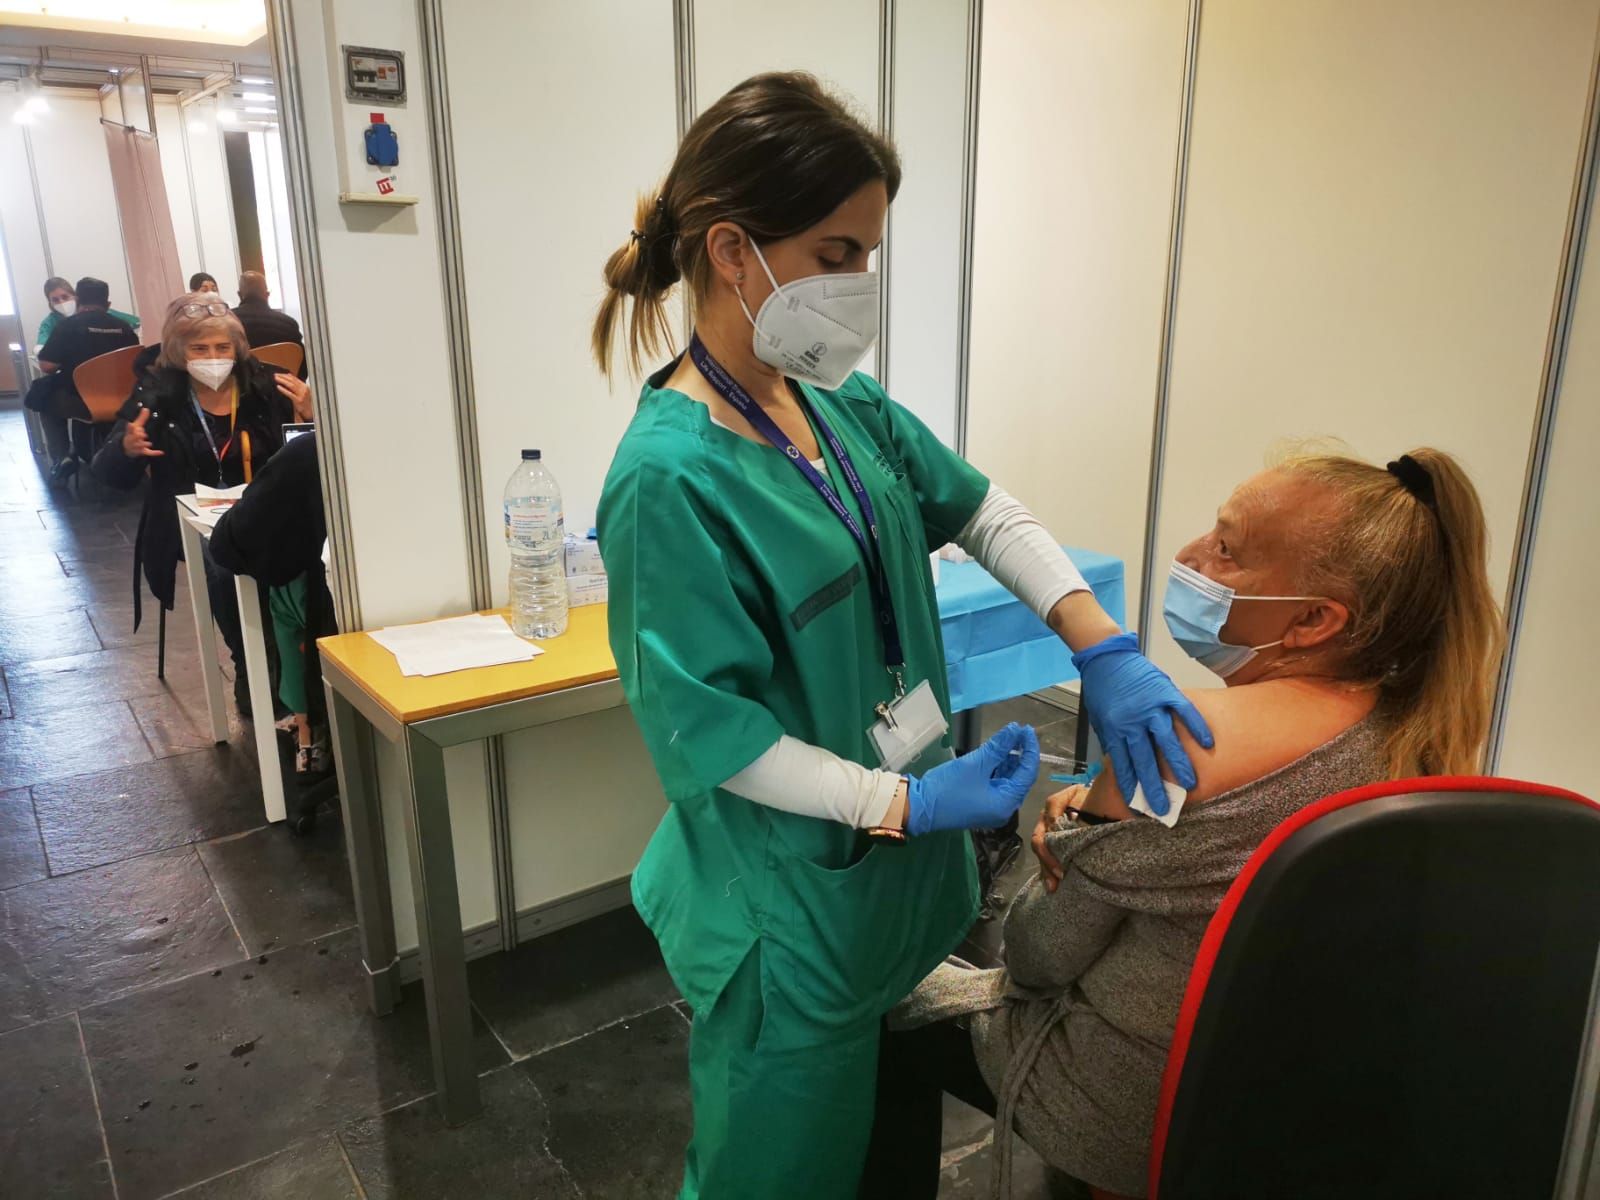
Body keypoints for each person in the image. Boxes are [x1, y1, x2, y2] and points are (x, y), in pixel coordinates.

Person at [592, 72, 1212, 1199]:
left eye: (868, 255)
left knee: (872, 1159)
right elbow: (713, 737)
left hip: (880, 896)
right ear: (734, 251)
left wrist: (1100, 647)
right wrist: (909, 802)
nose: (859, 286)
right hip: (791, 918)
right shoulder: (668, 481)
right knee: (772, 1176)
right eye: (836, 255)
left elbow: (981, 507)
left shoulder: (834, 405)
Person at [862, 446, 1505, 1200]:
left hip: (1128, 1107)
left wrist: (1061, 848)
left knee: (884, 1006)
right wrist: (1099, 827)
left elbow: (1037, 958)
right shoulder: (1419, 734)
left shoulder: (1178, 742)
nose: (1189, 556)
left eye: (1227, 552)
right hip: (1279, 1099)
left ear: (1312, 620)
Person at [92, 292, 312, 718]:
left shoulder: (270, 383)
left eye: (222, 347)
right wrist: (126, 449)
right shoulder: (156, 394)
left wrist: (308, 414)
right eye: (199, 349)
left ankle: (296, 671)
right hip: (191, 521)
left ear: (238, 347)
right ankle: (252, 665)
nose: (213, 357)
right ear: (178, 352)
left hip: (265, 507)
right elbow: (109, 475)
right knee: (226, 565)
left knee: (300, 558)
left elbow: (308, 454)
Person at [210, 430, 333, 833]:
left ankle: (306, 732)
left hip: (328, 614)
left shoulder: (311, 450)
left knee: (284, 594)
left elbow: (229, 544)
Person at [34, 276, 140, 484]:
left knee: (42, 395)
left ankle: (62, 456)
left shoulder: (66, 326)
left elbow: (47, 366)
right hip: (123, 402)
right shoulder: (125, 328)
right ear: (107, 304)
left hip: (81, 403)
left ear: (78, 300)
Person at [33, 275, 140, 351]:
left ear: (75, 297)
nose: (61, 302)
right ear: (50, 303)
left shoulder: (102, 313)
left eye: (65, 297)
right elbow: (41, 347)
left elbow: (136, 322)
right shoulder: (51, 323)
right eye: (55, 300)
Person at [233, 270, 305, 369]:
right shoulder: (290, 324)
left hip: (243, 383)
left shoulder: (228, 323)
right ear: (267, 295)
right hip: (282, 383)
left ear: (239, 295)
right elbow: (302, 367)